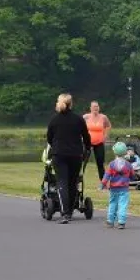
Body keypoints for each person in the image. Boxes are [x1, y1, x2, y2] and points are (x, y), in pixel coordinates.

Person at [46, 93, 92, 224]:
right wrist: (87, 148)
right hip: (75, 154)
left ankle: (65, 213)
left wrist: (55, 145)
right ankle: (70, 211)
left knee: (62, 182)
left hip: (59, 154)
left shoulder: (54, 120)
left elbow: (49, 137)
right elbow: (86, 136)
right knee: (73, 183)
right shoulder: (78, 119)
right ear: (71, 104)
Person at [102, 142, 134, 230]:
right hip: (124, 189)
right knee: (123, 205)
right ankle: (121, 222)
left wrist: (103, 184)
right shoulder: (128, 165)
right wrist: (131, 178)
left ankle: (110, 221)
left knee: (112, 203)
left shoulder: (112, 164)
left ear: (115, 152)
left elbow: (106, 175)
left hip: (113, 188)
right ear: (125, 152)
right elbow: (132, 175)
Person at [83, 101, 112, 188]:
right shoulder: (86, 117)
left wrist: (105, 136)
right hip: (87, 142)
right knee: (83, 162)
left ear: (99, 108)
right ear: (90, 108)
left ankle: (103, 183)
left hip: (99, 142)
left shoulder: (103, 117)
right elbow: (79, 125)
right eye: (94, 107)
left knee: (100, 163)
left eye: (97, 106)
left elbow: (108, 126)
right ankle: (77, 181)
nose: (95, 108)